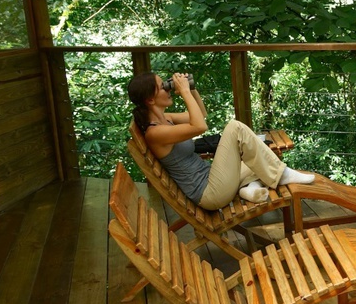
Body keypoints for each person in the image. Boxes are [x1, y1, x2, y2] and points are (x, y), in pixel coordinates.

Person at [127, 71, 314, 210]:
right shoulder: (155, 133)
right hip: (209, 193)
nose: (168, 87)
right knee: (235, 128)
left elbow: (201, 115)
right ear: (150, 100)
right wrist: (183, 93)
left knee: (260, 159)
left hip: (214, 179)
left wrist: (191, 89)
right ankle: (282, 175)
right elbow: (199, 127)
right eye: (162, 86)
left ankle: (249, 189)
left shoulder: (166, 119)